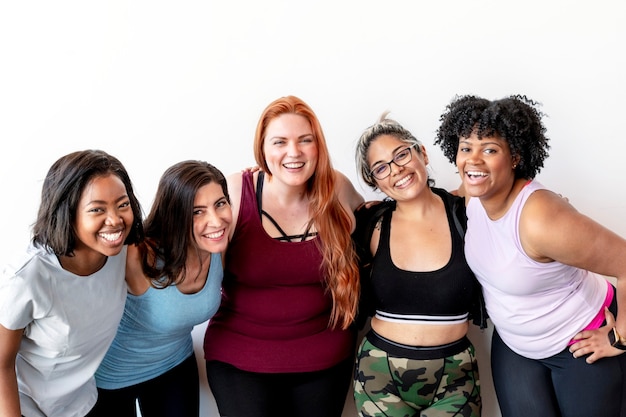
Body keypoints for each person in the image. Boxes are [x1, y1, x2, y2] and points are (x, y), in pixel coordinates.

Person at [434, 94, 626, 417]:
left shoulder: (540, 218)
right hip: (515, 346)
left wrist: (620, 337)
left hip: (578, 340)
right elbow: (439, 198)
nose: (473, 160)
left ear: (515, 157)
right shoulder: (473, 195)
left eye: (490, 149)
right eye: (466, 148)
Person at [203, 95, 364, 417]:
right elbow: (186, 236)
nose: (294, 152)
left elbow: (378, 220)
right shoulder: (234, 191)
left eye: (306, 140)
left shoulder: (337, 189)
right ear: (262, 148)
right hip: (240, 356)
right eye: (280, 142)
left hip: (324, 357)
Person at [351, 113, 485, 417]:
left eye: (401, 154)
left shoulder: (466, 213)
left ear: (421, 153)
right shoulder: (370, 224)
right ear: (375, 181)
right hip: (380, 376)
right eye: (381, 167)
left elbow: (516, 213)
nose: (397, 169)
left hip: (455, 376)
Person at [0, 149, 144, 417]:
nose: (115, 220)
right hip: (26, 408)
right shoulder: (26, 277)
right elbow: (1, 364)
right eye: (97, 209)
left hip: (84, 403)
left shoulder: (122, 251)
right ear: (67, 212)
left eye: (122, 205)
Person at [91, 160, 231, 417]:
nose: (215, 220)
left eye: (220, 203)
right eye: (197, 211)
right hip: (113, 375)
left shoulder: (219, 244)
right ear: (174, 214)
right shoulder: (139, 253)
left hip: (175, 366)